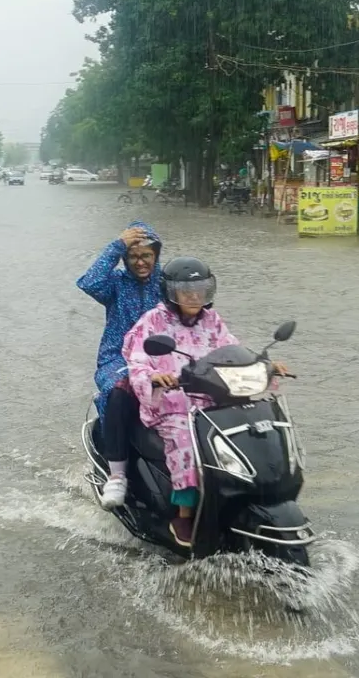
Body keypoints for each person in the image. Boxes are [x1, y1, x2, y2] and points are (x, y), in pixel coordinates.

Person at [121, 257, 237, 547]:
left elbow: (231, 349)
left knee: (245, 428)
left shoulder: (212, 320)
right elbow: (136, 360)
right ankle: (184, 513)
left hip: (209, 401)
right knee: (187, 440)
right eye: (187, 291)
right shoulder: (153, 321)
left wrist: (263, 365)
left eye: (200, 290)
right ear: (171, 293)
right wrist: (156, 376)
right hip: (171, 405)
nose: (195, 297)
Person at [77, 222, 163, 509]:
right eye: (133, 256)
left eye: (146, 256)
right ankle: (117, 476)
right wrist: (117, 245)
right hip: (118, 359)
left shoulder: (168, 282)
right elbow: (88, 282)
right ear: (125, 260)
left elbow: (197, 308)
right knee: (117, 389)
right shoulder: (114, 283)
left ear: (156, 256)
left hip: (163, 358)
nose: (140, 262)